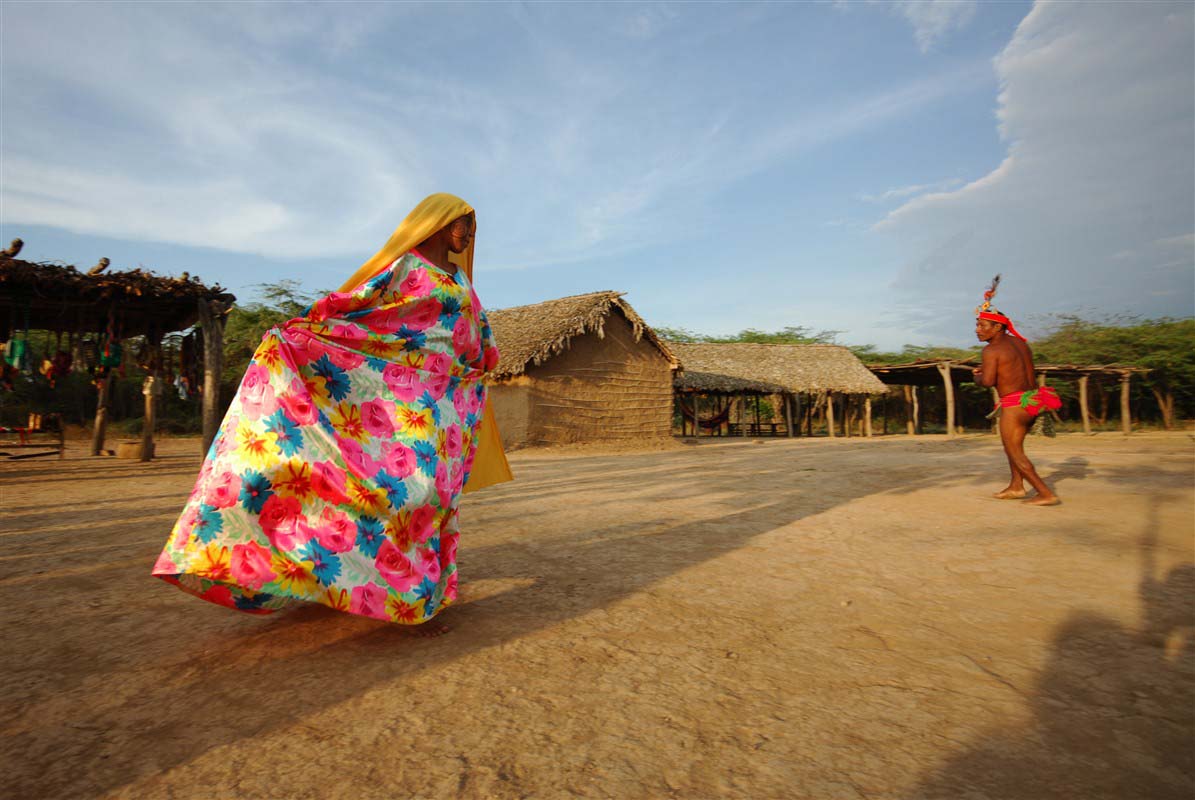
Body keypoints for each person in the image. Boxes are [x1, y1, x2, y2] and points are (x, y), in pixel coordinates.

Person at [153, 193, 513, 634]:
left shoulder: (460, 281)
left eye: (473, 230)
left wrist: (481, 365)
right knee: (390, 489)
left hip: (443, 407)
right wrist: (304, 331)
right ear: (439, 224)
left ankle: (418, 592)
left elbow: (476, 334)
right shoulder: (406, 269)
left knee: (430, 495)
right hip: (395, 395)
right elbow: (358, 307)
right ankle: (329, 573)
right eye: (464, 226)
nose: (469, 236)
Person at [971, 276, 1061, 506]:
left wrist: (977, 377)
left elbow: (989, 381)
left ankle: (1045, 493)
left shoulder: (992, 350)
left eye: (982, 325)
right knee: (1014, 448)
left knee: (1014, 451)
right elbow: (1015, 370)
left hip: (1015, 406)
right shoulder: (1021, 344)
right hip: (1033, 401)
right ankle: (1016, 486)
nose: (977, 330)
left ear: (997, 326)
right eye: (977, 325)